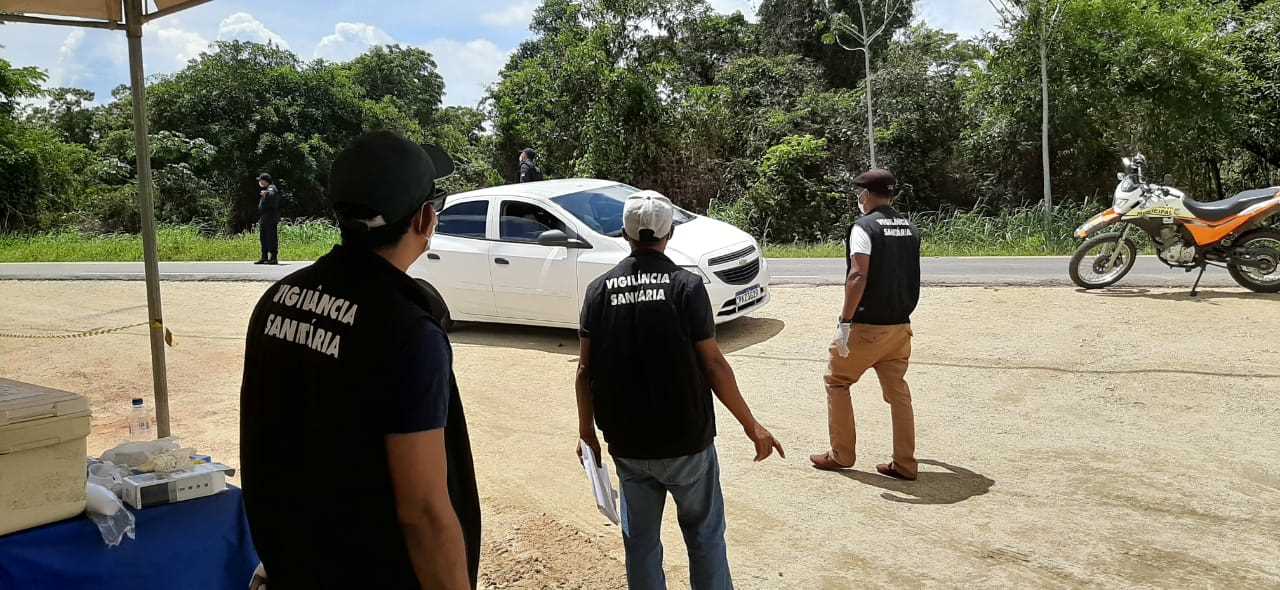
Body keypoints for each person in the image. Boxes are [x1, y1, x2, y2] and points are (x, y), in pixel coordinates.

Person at [240, 131, 481, 589]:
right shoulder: (406, 329)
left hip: (294, 568)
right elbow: (424, 512)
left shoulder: (278, 299)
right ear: (425, 220)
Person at [576, 190, 785, 590]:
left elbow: (585, 371)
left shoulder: (598, 291)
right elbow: (713, 364)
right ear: (669, 233)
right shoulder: (686, 287)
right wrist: (751, 425)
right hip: (687, 442)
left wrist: (587, 433)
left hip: (628, 445)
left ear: (625, 233)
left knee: (640, 543)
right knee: (704, 536)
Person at [809, 169, 922, 481]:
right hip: (900, 325)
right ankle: (905, 462)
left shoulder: (864, 228)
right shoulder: (909, 227)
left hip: (866, 326)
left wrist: (845, 321)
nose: (859, 198)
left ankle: (841, 454)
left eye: (860, 193)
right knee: (898, 392)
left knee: (837, 381)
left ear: (866, 195)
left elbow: (858, 274)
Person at [255, 173, 281, 265]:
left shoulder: (271, 187)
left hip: (270, 216)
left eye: (261, 180)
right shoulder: (267, 189)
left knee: (271, 237)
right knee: (263, 237)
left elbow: (272, 193)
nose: (259, 182)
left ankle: (273, 258)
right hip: (265, 216)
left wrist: (267, 193)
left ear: (265, 181)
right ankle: (264, 257)